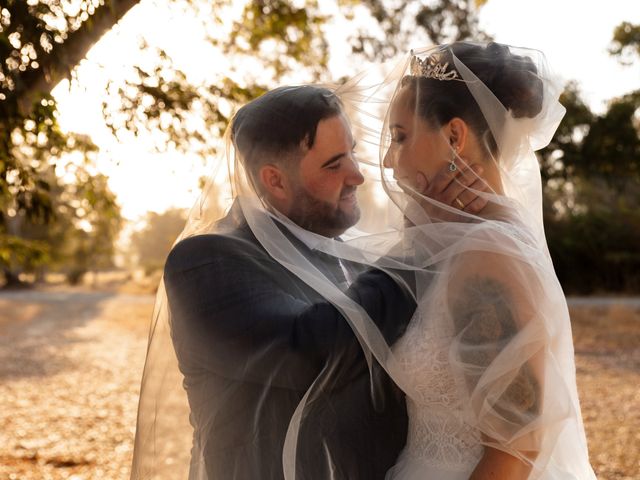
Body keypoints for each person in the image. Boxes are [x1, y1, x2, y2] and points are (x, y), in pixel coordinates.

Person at [129, 85, 486, 480]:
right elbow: (311, 352)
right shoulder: (206, 261)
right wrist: (421, 246)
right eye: (334, 164)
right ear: (275, 181)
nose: (358, 175)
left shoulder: (347, 253)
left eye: (352, 152)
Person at [374, 42, 597, 479]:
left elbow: (515, 449)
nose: (387, 159)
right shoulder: (465, 242)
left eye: (400, 137)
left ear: (454, 136)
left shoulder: (489, 254)